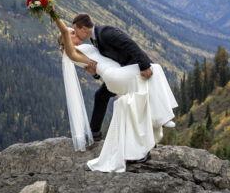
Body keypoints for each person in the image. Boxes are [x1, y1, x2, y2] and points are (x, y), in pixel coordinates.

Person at [53, 12, 178, 173]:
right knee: (156, 69)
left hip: (115, 74)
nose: (74, 33)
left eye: (74, 31)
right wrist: (51, 12)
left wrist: (95, 72)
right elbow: (67, 36)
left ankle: (149, 134)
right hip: (115, 76)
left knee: (133, 102)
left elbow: (99, 64)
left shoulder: (92, 41)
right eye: (71, 33)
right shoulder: (73, 52)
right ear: (67, 40)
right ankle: (162, 117)